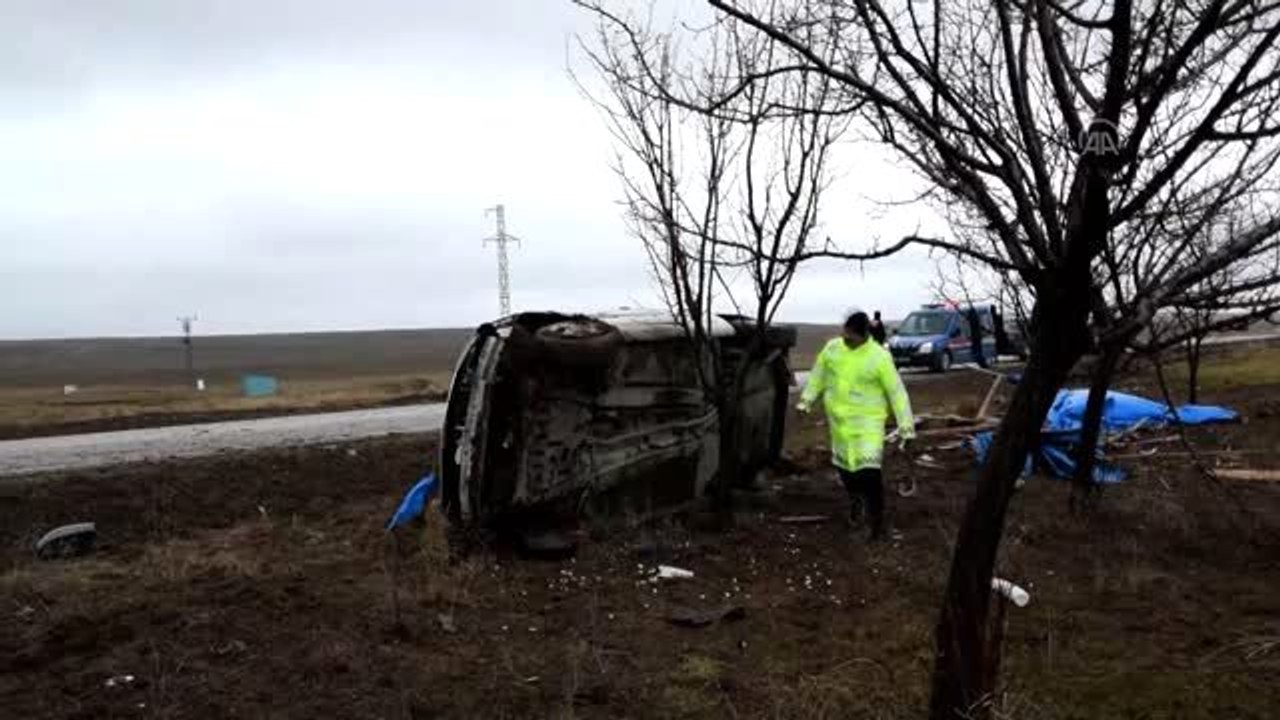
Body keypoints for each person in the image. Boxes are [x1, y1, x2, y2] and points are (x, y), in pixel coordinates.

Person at [797, 311, 915, 540]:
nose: (846, 340)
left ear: (864, 336)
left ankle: (876, 523)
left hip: (868, 424)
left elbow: (896, 392)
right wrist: (806, 402)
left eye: (851, 337)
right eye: (844, 335)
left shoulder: (879, 357)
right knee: (846, 470)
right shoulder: (832, 349)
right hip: (840, 424)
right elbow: (818, 376)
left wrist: (906, 427)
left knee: (869, 474)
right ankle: (855, 501)